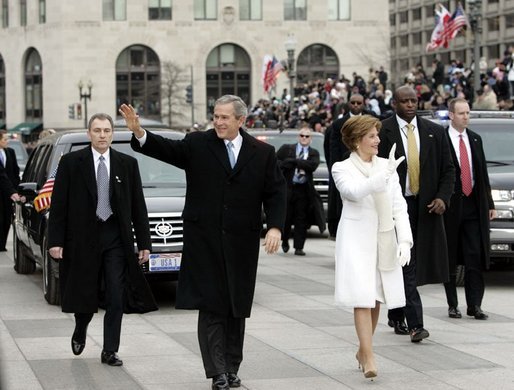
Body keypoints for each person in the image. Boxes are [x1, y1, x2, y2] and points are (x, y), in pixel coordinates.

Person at [119, 95, 287, 390]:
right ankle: (217, 371)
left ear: (240, 120)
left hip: (241, 243)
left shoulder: (262, 152)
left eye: (224, 117)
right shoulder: (197, 143)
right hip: (204, 240)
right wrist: (139, 133)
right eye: (215, 116)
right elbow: (167, 149)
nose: (218, 122)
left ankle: (232, 366)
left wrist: (274, 226)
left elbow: (276, 192)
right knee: (211, 306)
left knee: (236, 307)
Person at [48, 113, 157, 367]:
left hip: (115, 239)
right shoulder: (71, 163)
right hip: (82, 239)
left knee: (116, 295)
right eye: (97, 130)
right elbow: (59, 205)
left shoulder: (127, 164)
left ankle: (110, 350)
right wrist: (56, 241)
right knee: (84, 294)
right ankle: (81, 326)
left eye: (107, 130)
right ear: (89, 134)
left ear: (112, 133)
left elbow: (138, 207)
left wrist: (144, 243)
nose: (102, 135)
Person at [332, 115, 412, 380]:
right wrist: (381, 177)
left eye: (378, 135)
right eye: (372, 136)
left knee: (376, 297)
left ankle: (363, 349)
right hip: (355, 239)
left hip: (382, 238)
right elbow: (353, 192)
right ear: (357, 140)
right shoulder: (341, 167)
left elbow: (399, 206)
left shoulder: (386, 166)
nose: (378, 140)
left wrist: (405, 241)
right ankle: (369, 355)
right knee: (361, 297)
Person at [378, 86, 455, 342]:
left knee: (415, 262)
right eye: (405, 101)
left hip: (425, 207)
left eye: (414, 100)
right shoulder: (382, 131)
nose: (410, 105)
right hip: (395, 207)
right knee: (406, 262)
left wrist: (443, 197)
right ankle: (416, 324)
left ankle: (397, 313)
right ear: (394, 103)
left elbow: (448, 169)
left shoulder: (434, 132)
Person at [443, 98, 496, 320]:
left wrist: (489, 203)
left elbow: (481, 174)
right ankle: (452, 304)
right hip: (450, 207)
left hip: (473, 205)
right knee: (451, 257)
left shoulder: (475, 139)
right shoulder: (441, 139)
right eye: (462, 113)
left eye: (468, 113)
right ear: (451, 115)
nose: (466, 117)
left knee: (474, 255)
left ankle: (475, 305)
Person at [326, 93, 374, 238]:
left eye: (359, 103)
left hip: (368, 167)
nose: (356, 105)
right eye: (353, 103)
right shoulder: (338, 125)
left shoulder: (372, 120)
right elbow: (333, 152)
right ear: (348, 104)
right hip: (348, 167)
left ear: (364, 103)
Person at [276, 127, 324, 256]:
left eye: (307, 136)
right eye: (302, 135)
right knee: (286, 217)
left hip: (303, 189)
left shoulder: (313, 152)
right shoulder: (287, 148)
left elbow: (312, 166)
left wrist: (294, 161)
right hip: (288, 188)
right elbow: (278, 162)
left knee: (301, 219)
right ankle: (284, 240)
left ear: (310, 139)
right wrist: (297, 162)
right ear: (299, 137)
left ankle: (299, 247)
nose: (304, 138)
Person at [0, 130, 20, 251]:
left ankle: (2, 244)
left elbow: (15, 172)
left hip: (9, 191)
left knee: (7, 216)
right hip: (3, 189)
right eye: (4, 140)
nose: (7, 142)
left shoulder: (10, 152)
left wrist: (17, 189)